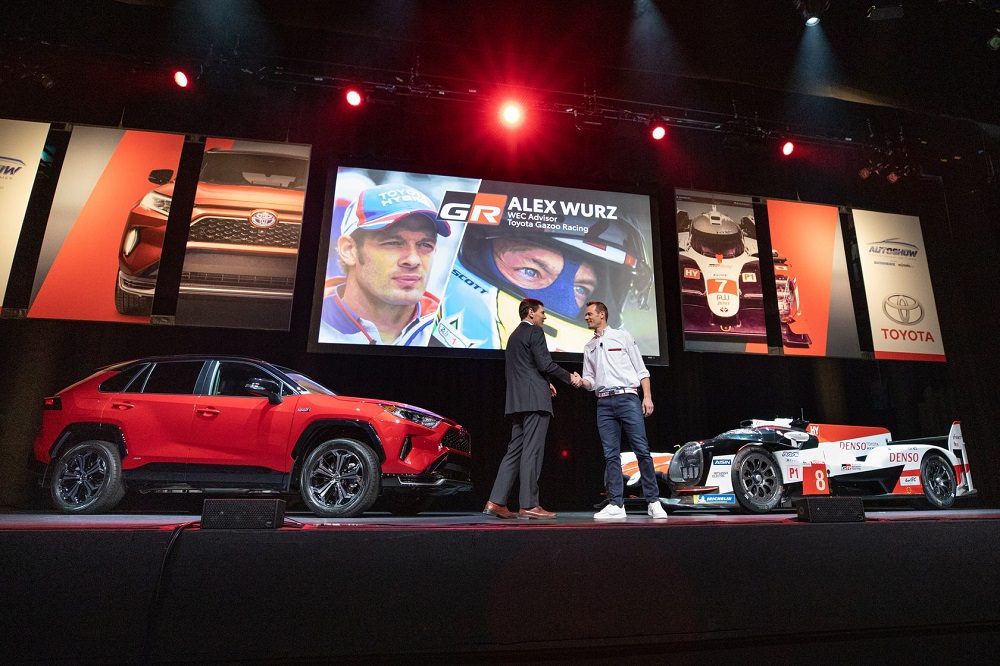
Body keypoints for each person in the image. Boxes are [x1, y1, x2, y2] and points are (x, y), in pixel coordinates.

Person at [483, 298, 581, 520]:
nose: (544, 317)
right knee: (532, 452)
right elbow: (545, 363)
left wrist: (544, 382)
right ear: (530, 313)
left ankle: (495, 501)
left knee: (514, 451)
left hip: (517, 402)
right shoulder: (535, 332)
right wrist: (570, 378)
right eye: (542, 313)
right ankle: (529, 504)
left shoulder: (513, 335)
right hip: (535, 401)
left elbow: (524, 367)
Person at [318, 183, 451, 345]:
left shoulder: (454, 330)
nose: (413, 260)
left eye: (425, 245)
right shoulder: (314, 319)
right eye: (393, 243)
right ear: (349, 250)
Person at [575, 300, 667, 520]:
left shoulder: (623, 336)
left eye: (589, 314)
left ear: (602, 315)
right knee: (610, 455)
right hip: (604, 403)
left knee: (641, 450)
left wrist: (648, 397)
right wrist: (582, 381)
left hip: (628, 398)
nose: (586, 317)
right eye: (586, 315)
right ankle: (616, 504)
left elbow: (641, 370)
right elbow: (591, 380)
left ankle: (653, 501)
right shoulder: (588, 346)